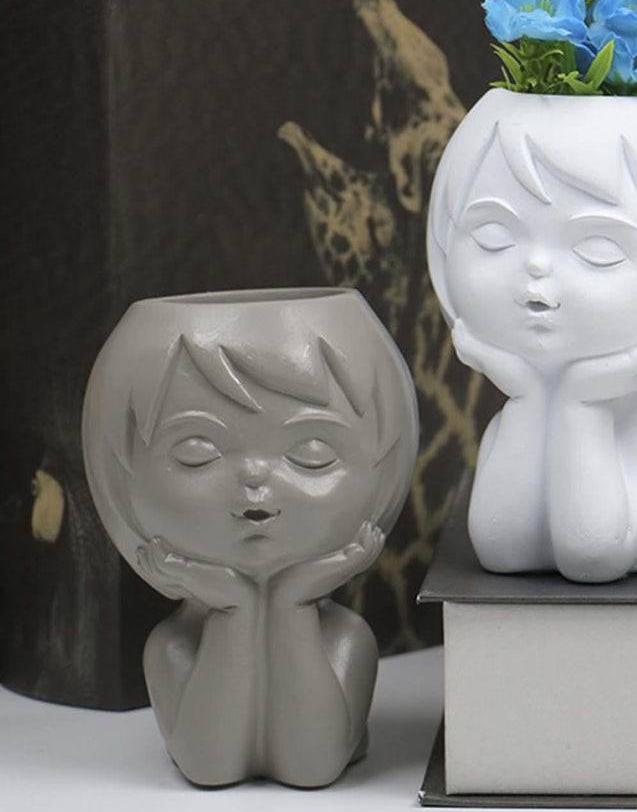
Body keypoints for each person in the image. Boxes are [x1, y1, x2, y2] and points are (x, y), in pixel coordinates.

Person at [82, 288, 417, 787]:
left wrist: (291, 602)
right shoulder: (173, 648)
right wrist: (233, 608)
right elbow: (208, 766)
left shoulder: (347, 643)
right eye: (197, 453)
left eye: (311, 453)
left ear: (384, 472)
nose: (255, 477)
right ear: (119, 480)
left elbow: (313, 766)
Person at [427, 91, 637, 583]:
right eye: (494, 237)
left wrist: (581, 405)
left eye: (598, 250)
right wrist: (529, 398)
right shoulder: (515, 420)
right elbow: (501, 550)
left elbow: (592, 555)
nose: (535, 266)